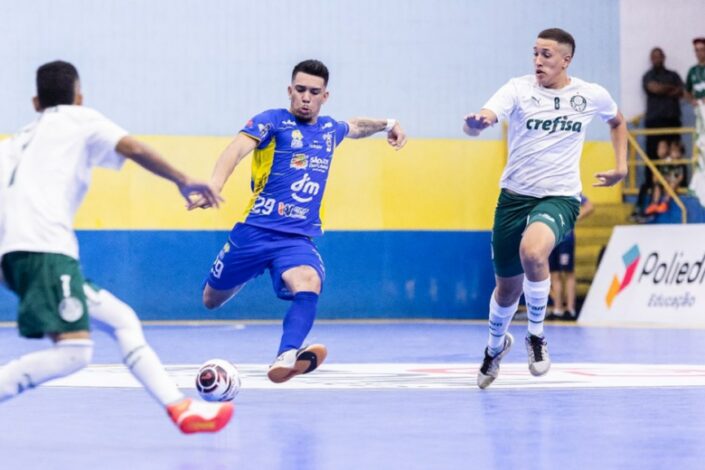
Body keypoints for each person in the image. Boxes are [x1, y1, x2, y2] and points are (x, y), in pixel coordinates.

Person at [0, 60, 233, 434]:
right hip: (45, 252)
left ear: (34, 102)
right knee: (75, 353)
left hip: (18, 255)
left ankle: (181, 409)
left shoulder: (14, 144)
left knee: (122, 319)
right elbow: (132, 147)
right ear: (79, 97)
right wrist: (182, 179)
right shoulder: (79, 119)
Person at [189, 59, 407, 383]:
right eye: (300, 90)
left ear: (325, 96)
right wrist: (215, 185)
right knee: (210, 300)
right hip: (255, 232)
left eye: (314, 92)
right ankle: (250, 271)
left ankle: (286, 354)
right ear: (290, 91)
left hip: (295, 239)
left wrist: (388, 123)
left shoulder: (329, 131)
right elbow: (235, 150)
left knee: (310, 282)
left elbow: (356, 126)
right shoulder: (272, 122)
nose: (306, 97)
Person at [462, 28, 627, 389]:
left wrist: (622, 166)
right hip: (514, 198)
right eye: (535, 53)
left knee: (533, 252)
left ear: (566, 60)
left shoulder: (590, 94)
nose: (538, 60)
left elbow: (616, 121)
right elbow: (489, 113)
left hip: (560, 196)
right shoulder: (518, 89)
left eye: (547, 55)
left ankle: (536, 336)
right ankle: (494, 347)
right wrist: (479, 123)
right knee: (506, 289)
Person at [547, 195, 594, 321]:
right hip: (551, 238)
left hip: (565, 238)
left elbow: (589, 206)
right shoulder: (546, 190)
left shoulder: (570, 189)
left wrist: (573, 219)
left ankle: (570, 309)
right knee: (554, 274)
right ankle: (558, 309)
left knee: (568, 272)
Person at [642, 47, 683, 162]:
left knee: (675, 152)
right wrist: (670, 88)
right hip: (654, 120)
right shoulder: (648, 76)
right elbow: (654, 88)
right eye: (654, 57)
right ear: (651, 59)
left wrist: (662, 88)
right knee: (653, 153)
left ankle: (675, 180)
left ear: (664, 57)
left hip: (672, 119)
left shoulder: (673, 75)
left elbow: (681, 91)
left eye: (659, 56)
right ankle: (651, 180)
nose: (657, 59)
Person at [685, 37, 705, 207]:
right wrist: (692, 100)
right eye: (696, 50)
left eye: (702, 49)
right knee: (701, 144)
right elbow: (687, 91)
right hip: (700, 113)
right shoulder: (692, 71)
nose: (699, 53)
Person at [645, 140, 687, 215]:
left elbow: (680, 177)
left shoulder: (681, 164)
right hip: (665, 181)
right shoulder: (667, 161)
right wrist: (662, 179)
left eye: (677, 152)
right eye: (673, 151)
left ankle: (665, 202)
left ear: (680, 154)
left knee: (672, 184)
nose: (674, 154)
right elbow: (662, 172)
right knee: (657, 186)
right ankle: (654, 203)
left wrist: (676, 181)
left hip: (674, 183)